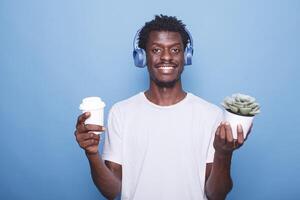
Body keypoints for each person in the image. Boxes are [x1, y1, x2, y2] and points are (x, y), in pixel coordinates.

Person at [75, 15, 251, 200]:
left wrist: (224, 154)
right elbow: (112, 192)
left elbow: (216, 195)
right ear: (142, 56)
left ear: (186, 55)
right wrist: (92, 154)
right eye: (156, 50)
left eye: (175, 49)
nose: (166, 57)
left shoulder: (211, 115)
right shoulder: (121, 113)